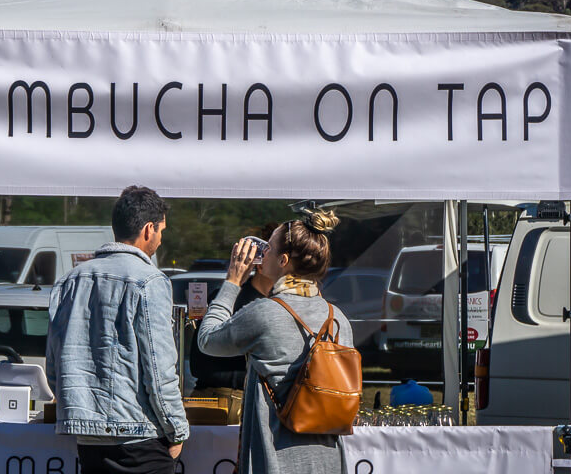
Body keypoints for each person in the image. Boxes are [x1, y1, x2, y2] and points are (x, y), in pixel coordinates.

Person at [198, 209, 352, 474]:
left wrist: (233, 281)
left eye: (267, 248)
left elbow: (207, 340)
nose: (261, 254)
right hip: (329, 460)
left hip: (275, 460)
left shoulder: (265, 312)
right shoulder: (338, 319)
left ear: (282, 261)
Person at [47, 186, 189, 474]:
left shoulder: (70, 281)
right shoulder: (150, 280)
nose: (161, 239)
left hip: (88, 438)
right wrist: (177, 428)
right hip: (139, 435)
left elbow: (54, 364)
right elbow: (160, 367)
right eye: (161, 231)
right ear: (148, 229)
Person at [188, 225, 278, 424]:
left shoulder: (282, 304)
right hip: (223, 401)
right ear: (260, 261)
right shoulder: (228, 300)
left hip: (256, 401)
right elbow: (200, 360)